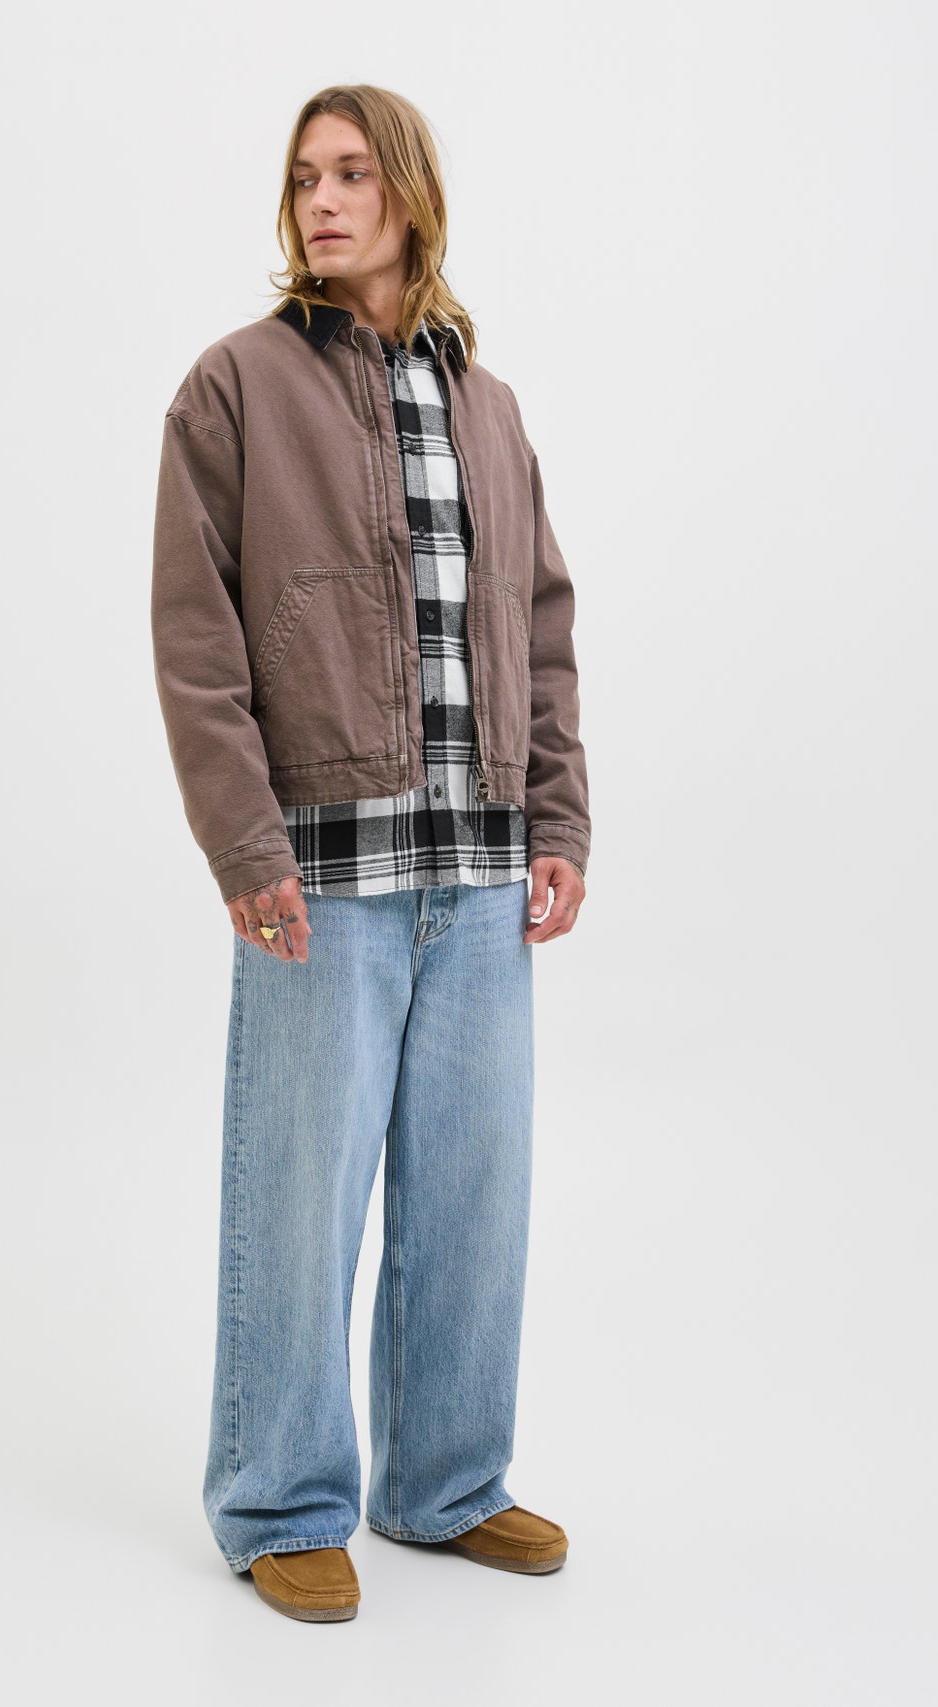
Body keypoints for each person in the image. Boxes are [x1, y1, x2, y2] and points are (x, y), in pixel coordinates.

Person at [150, 83, 592, 1623]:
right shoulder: (236, 387)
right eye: (303, 179)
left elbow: (541, 622)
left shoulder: (489, 405)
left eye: (351, 174)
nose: (323, 202)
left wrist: (557, 818)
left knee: (475, 1191)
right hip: (318, 874)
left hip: (479, 864)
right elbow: (197, 639)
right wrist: (241, 844)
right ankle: (281, 1497)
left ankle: (446, 1483)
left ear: (409, 192)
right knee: (300, 1192)